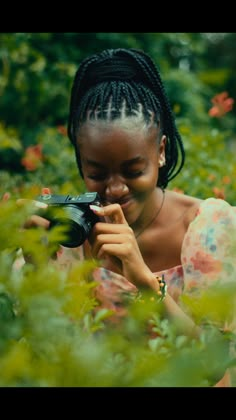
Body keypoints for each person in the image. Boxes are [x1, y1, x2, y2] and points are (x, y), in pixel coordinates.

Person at [18, 48, 236, 386]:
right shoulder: (69, 233)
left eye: (134, 171)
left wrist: (145, 282)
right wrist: (33, 264)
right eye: (97, 173)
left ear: (161, 152)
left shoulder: (208, 229)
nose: (116, 188)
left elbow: (215, 367)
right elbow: (43, 357)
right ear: (81, 161)